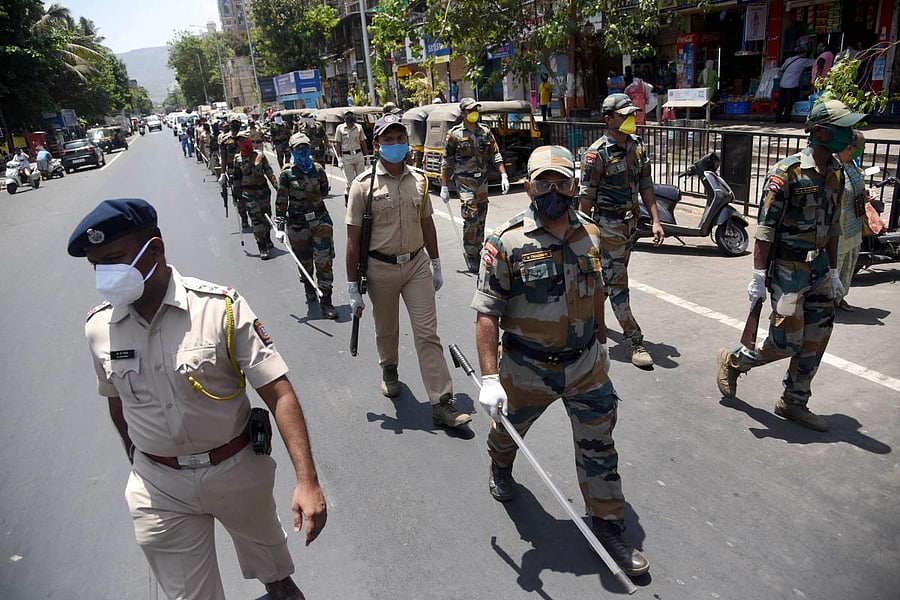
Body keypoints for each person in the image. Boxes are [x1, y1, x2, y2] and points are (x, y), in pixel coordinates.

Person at [67, 198, 326, 600]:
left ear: (154, 249)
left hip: (235, 470)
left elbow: (278, 391)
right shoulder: (99, 327)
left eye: (114, 260)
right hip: (159, 487)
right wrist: (141, 460)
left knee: (277, 578)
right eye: (97, 265)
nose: (105, 275)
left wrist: (307, 480)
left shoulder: (220, 308)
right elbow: (117, 402)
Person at [472, 145, 650, 577]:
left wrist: (603, 340)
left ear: (574, 185)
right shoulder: (505, 240)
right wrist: (490, 378)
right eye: (543, 181)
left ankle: (608, 527)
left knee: (600, 447)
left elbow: (598, 293)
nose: (553, 189)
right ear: (528, 186)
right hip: (527, 368)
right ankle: (500, 463)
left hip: (586, 365)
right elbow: (487, 312)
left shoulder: (591, 232)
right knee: (509, 433)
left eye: (561, 181)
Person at [717, 100, 866, 432]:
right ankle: (734, 360)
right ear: (821, 131)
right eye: (841, 127)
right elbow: (765, 230)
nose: (848, 134)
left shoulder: (837, 173)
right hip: (788, 268)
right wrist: (757, 276)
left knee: (818, 335)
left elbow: (832, 226)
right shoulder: (787, 173)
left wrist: (831, 270)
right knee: (785, 341)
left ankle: (793, 402)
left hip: (819, 268)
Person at [345, 113, 471, 429]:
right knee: (386, 329)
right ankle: (389, 368)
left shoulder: (419, 179)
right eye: (388, 139)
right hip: (380, 269)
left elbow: (426, 222)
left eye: (400, 138)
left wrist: (437, 264)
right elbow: (353, 239)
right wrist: (352, 288)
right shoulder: (362, 187)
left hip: (416, 266)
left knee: (428, 334)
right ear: (376, 145)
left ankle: (442, 403)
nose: (396, 144)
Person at [578, 93, 664, 368]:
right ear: (608, 119)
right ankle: (634, 339)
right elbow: (585, 201)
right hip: (607, 226)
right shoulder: (597, 154)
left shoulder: (637, 146)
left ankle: (581, 324)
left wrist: (656, 220)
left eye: (632, 114)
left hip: (630, 225)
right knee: (617, 283)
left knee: (606, 282)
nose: (631, 119)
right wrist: (585, 239)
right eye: (625, 115)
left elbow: (647, 185)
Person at [439, 97, 510, 273]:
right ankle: (471, 254)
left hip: (482, 181)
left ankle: (477, 250)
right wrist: (444, 186)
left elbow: (495, 154)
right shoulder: (455, 135)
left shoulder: (485, 132)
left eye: (475, 110)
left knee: (481, 218)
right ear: (463, 113)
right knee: (471, 217)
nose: (474, 113)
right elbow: (446, 162)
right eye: (470, 110)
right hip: (464, 181)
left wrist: (504, 175)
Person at [274, 133, 338, 319]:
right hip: (297, 224)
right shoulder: (287, 174)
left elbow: (324, 191)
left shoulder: (318, 170)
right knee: (305, 263)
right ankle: (309, 286)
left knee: (324, 261)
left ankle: (326, 301)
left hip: (320, 221)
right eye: (298, 149)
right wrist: (279, 225)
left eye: (305, 148)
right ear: (292, 151)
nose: (302, 152)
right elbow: (281, 201)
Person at [835, 130, 867, 311]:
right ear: (850, 147)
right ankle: (826, 302)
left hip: (854, 224)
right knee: (835, 266)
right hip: (838, 229)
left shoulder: (853, 164)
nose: (863, 150)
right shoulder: (834, 166)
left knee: (849, 264)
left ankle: (840, 298)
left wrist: (865, 194)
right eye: (861, 147)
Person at [233, 131, 278, 260]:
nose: (242, 143)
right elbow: (236, 178)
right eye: (240, 141)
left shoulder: (260, 156)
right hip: (249, 194)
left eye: (244, 140)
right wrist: (236, 195)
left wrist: (278, 188)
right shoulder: (238, 159)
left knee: (267, 217)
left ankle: (267, 238)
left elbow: (269, 173)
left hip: (263, 192)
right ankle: (262, 246)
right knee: (256, 220)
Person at [333, 109, 369, 205]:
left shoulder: (359, 127)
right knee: (350, 182)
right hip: (347, 156)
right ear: (344, 117)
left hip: (358, 155)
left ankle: (361, 200)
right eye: (347, 115)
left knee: (361, 179)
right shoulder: (340, 128)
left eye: (351, 115)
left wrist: (367, 157)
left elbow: (363, 142)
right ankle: (350, 200)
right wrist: (339, 159)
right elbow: (338, 144)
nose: (349, 117)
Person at [774, 45, 814, 123]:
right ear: (804, 54)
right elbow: (815, 61)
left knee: (781, 102)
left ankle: (777, 118)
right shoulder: (803, 61)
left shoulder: (788, 60)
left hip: (783, 84)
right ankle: (786, 119)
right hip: (791, 85)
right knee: (789, 102)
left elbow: (781, 70)